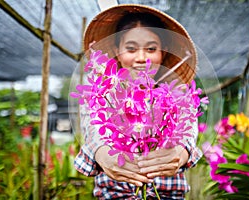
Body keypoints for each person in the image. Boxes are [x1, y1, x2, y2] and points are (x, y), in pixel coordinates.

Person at [74, 4, 202, 199]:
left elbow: (188, 134)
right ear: (117, 50)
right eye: (131, 49)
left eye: (151, 49)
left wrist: (181, 153)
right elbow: (93, 129)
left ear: (163, 51)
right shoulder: (103, 95)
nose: (141, 58)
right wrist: (101, 152)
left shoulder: (178, 94)